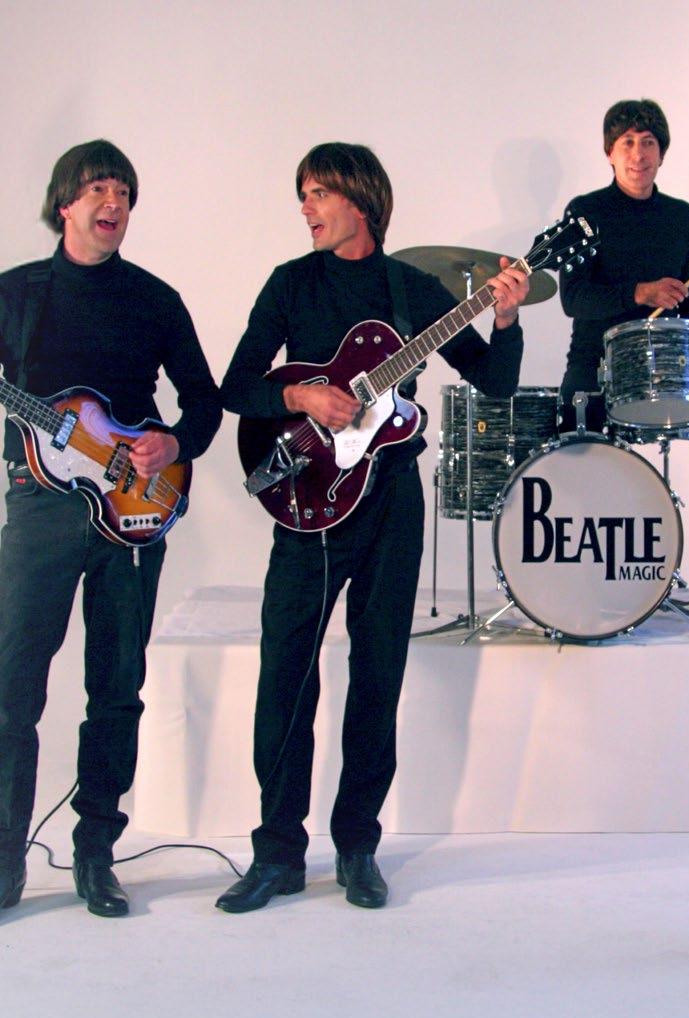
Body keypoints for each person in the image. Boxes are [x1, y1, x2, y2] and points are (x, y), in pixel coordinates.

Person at [216, 142, 528, 913]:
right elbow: (236, 386)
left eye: (319, 193)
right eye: (303, 194)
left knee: (378, 672)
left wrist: (506, 315)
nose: (306, 207)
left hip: (389, 499)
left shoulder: (412, 290)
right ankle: (277, 852)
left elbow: (494, 381)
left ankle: (357, 846)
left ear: (361, 200)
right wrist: (304, 398)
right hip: (310, 500)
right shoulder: (291, 283)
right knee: (285, 674)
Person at [0, 140, 222, 918]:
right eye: (98, 187)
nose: (114, 201)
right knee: (11, 686)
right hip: (39, 506)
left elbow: (205, 401)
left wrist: (173, 443)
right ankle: (5, 862)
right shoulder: (17, 294)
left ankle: (95, 854)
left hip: (132, 511)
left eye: (124, 190)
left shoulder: (154, 299)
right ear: (65, 203)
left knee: (116, 688)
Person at [557, 99, 689, 598]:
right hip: (598, 361)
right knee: (573, 434)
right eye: (627, 143)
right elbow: (574, 298)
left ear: (661, 153)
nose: (638, 154)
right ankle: (584, 574)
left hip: (669, 363)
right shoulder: (584, 212)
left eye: (648, 143)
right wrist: (640, 293)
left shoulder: (682, 217)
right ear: (609, 152)